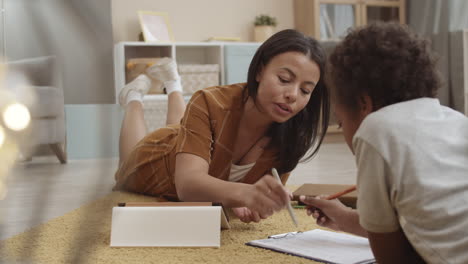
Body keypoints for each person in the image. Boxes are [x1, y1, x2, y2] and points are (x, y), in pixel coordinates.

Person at [114, 29, 330, 223]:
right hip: (157, 155)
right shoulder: (210, 102)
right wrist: (245, 194)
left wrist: (255, 202)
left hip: (187, 137)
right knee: (126, 165)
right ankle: (133, 97)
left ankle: (172, 84)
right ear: (259, 71)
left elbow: (246, 192)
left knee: (182, 129)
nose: (293, 95)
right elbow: (188, 186)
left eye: (305, 90)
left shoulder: (292, 131)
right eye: (284, 79)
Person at [300, 22, 468, 263]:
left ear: (363, 104)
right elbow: (422, 222)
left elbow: (391, 256)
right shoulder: (455, 119)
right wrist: (345, 217)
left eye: (341, 122)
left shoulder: (375, 129)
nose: (344, 130)